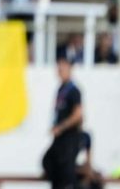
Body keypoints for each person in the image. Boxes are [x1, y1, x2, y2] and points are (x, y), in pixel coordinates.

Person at [42, 57, 83, 189]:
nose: (60, 70)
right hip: (59, 140)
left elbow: (78, 115)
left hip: (69, 139)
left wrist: (61, 127)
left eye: (63, 66)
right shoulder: (61, 89)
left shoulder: (74, 90)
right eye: (58, 66)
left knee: (67, 176)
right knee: (49, 162)